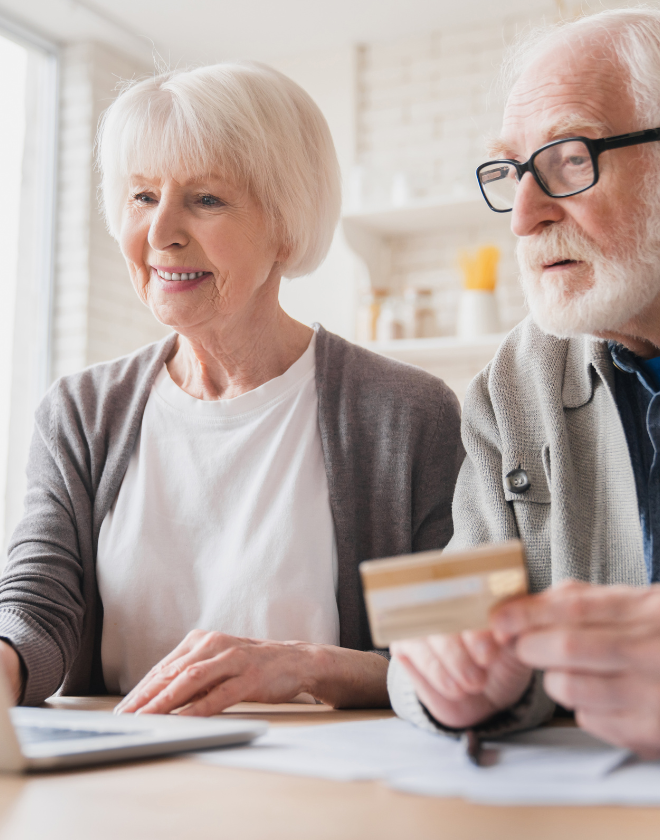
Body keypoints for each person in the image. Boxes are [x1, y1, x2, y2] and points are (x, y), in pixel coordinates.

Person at [0, 62, 463, 715]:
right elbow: (34, 610)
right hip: (120, 791)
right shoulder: (80, 412)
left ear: (285, 224)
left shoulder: (410, 413)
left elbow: (460, 656)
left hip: (327, 797)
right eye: (142, 197)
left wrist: (307, 668)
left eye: (206, 199)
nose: (161, 234)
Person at [389, 7, 660, 759]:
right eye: (512, 172)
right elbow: (432, 626)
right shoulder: (514, 380)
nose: (524, 216)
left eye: (570, 159)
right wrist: (448, 679)